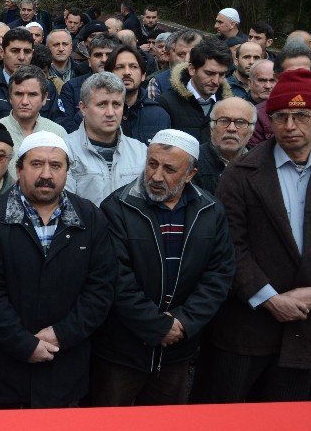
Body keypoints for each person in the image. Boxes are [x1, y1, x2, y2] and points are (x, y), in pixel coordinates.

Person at [208, 69, 311, 402]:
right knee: (227, 428)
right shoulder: (240, 175)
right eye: (281, 117)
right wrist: (268, 297)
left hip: (308, 330)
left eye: (302, 116)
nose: (291, 126)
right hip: (245, 331)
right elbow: (229, 246)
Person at [93, 130, 235, 405]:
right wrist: (157, 326)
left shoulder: (210, 210)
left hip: (178, 350)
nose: (156, 177)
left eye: (170, 169)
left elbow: (219, 275)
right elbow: (115, 278)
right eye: (152, 164)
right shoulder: (117, 207)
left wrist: (182, 322)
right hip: (122, 351)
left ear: (191, 174)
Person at [0, 131, 116, 408]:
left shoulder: (90, 217)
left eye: (56, 165)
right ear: (19, 169)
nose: (46, 174)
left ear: (67, 170)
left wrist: (61, 334)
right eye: (37, 164)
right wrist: (23, 344)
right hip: (4, 370)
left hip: (65, 367)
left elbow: (101, 288)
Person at [64, 72, 147, 205]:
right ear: (83, 108)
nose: (110, 113)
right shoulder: (64, 151)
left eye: (116, 105)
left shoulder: (141, 152)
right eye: (102, 104)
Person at [158, 39, 234, 141]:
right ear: (192, 69)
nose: (216, 81)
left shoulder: (230, 106)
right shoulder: (165, 103)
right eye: (209, 73)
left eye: (221, 74)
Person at [194, 97, 256, 194]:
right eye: (224, 121)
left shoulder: (261, 163)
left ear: (251, 132)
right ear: (211, 128)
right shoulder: (192, 162)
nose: (231, 128)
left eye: (240, 122)